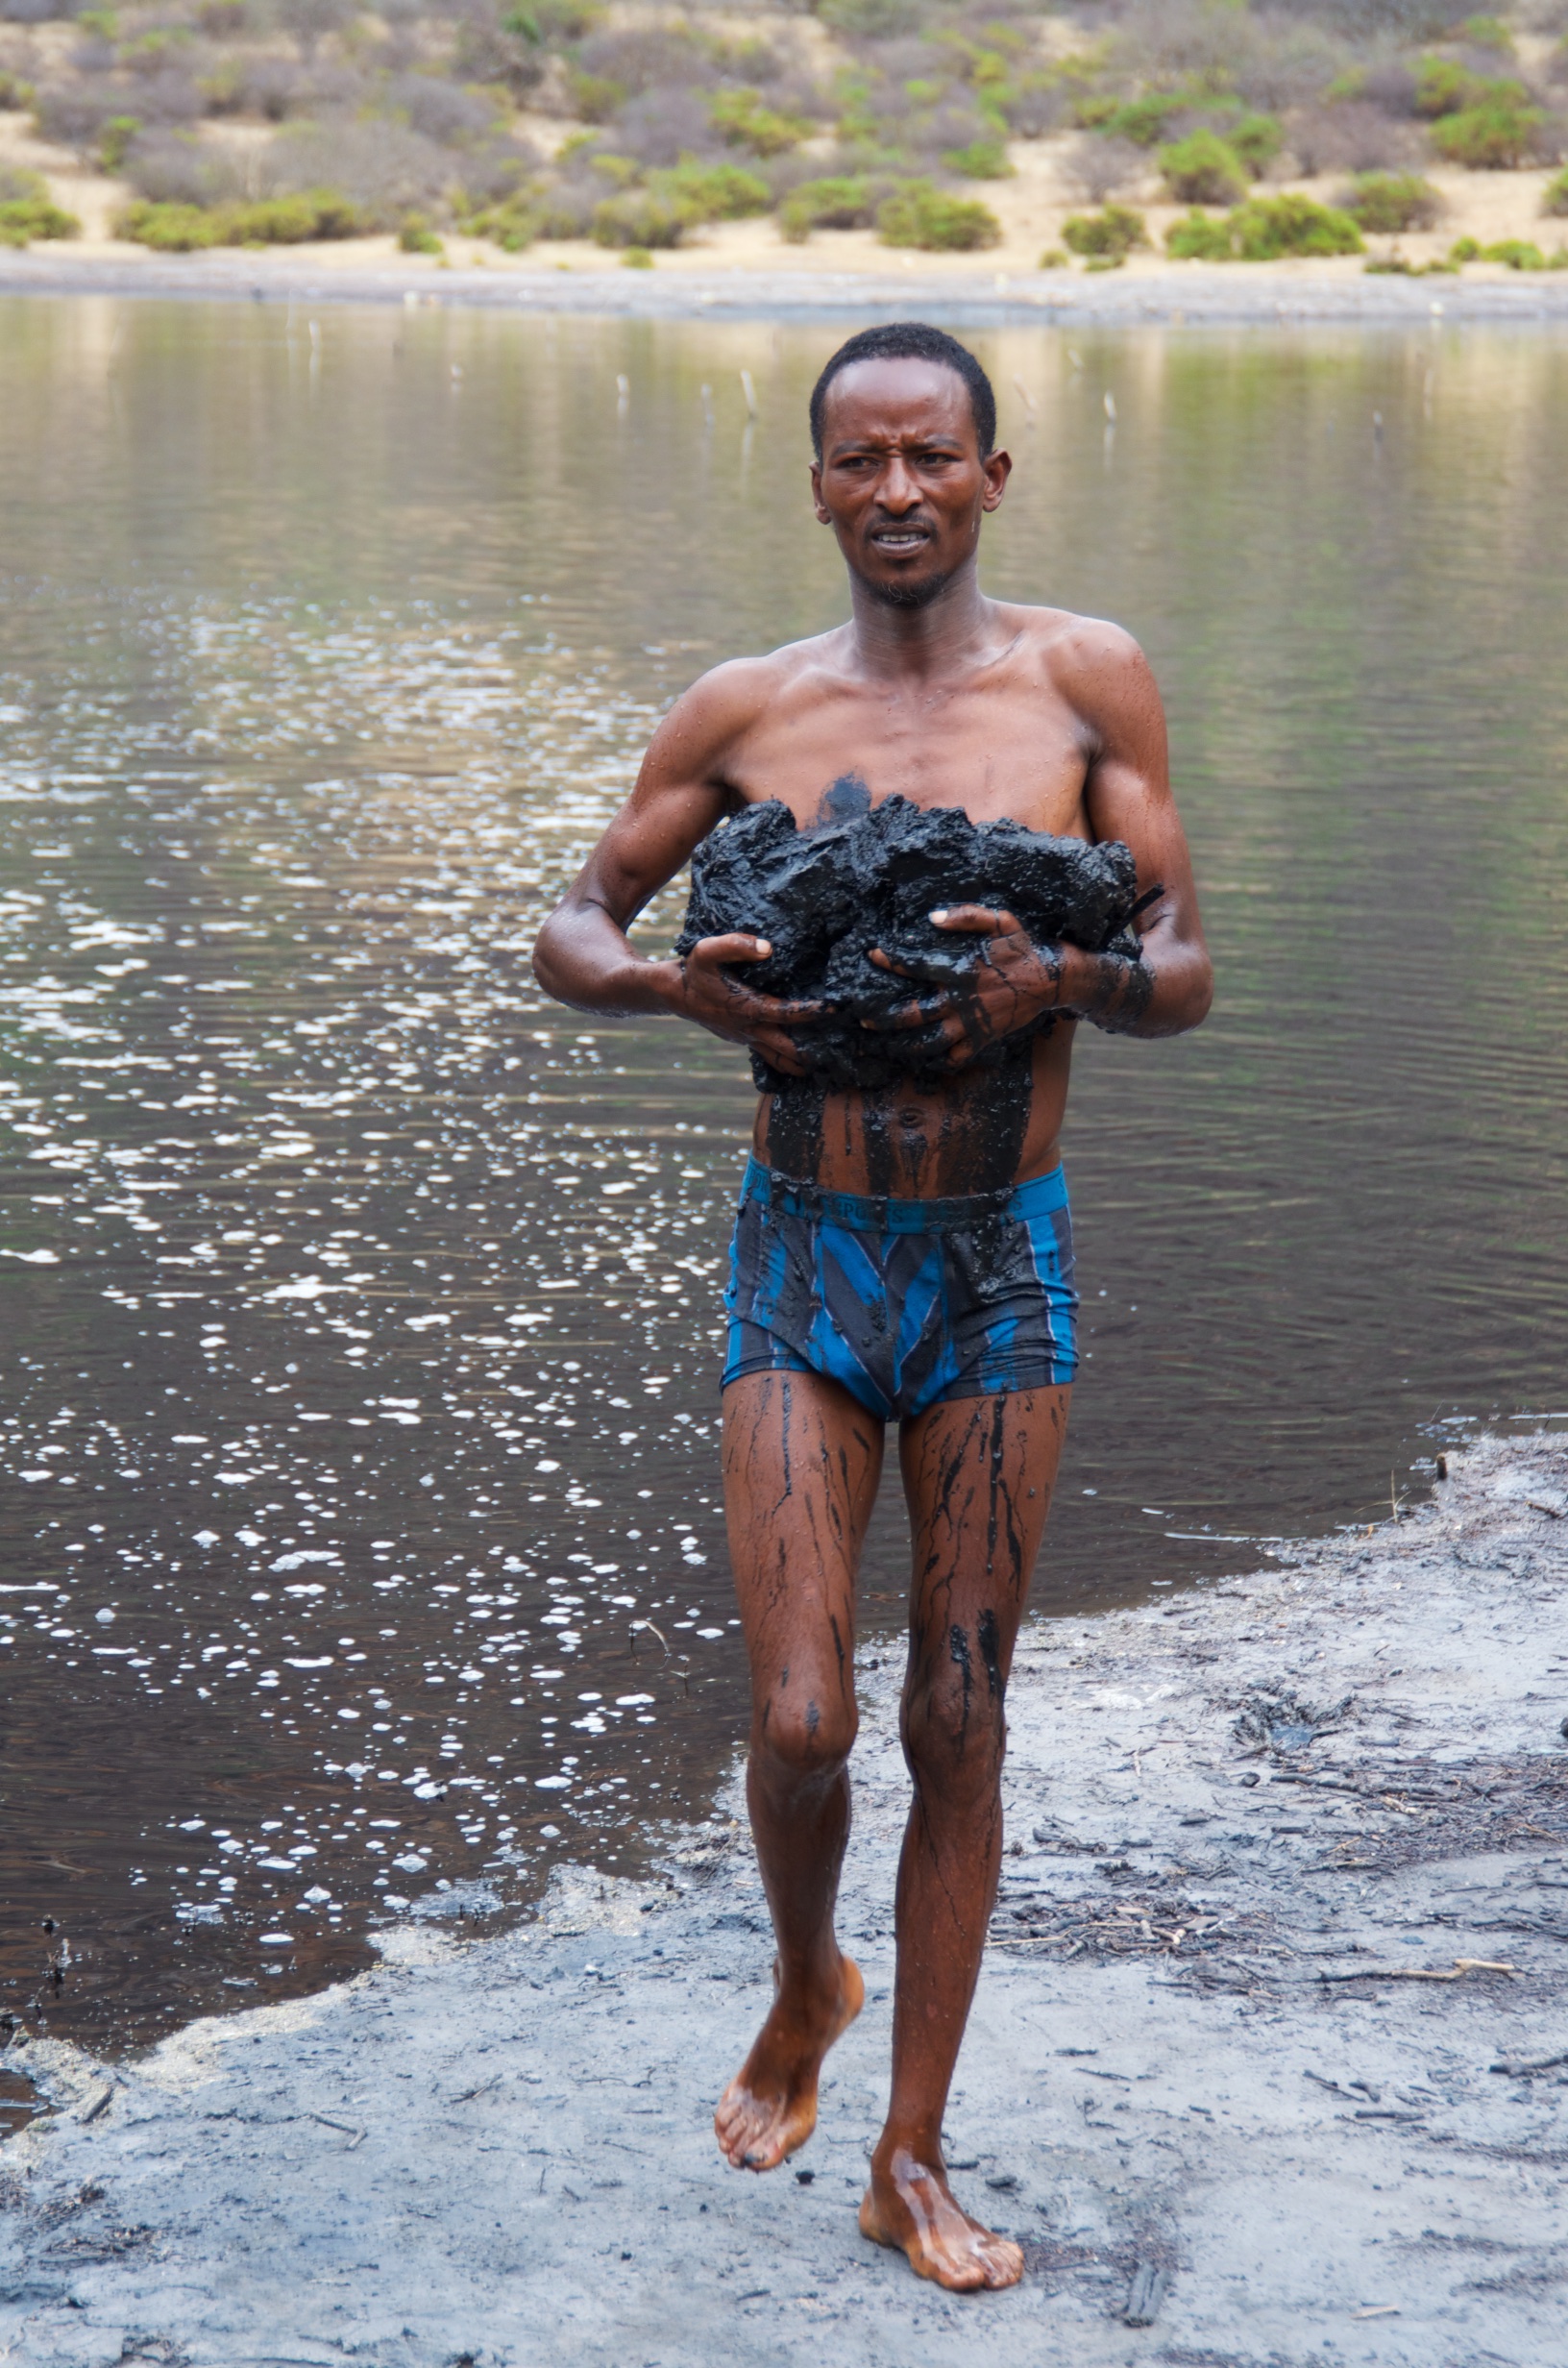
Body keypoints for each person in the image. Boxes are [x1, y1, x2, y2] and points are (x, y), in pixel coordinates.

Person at [532, 322, 1212, 2292]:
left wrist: (1052, 989)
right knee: (806, 1711)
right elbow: (573, 921)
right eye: (861, 461)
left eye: (934, 457)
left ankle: (908, 2149)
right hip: (802, 1253)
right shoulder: (745, 706)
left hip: (998, 1266)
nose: (898, 491)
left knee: (960, 1711)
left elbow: (1181, 962)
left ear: (996, 474)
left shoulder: (1087, 681)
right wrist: (677, 989)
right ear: (816, 483)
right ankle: (803, 1976)